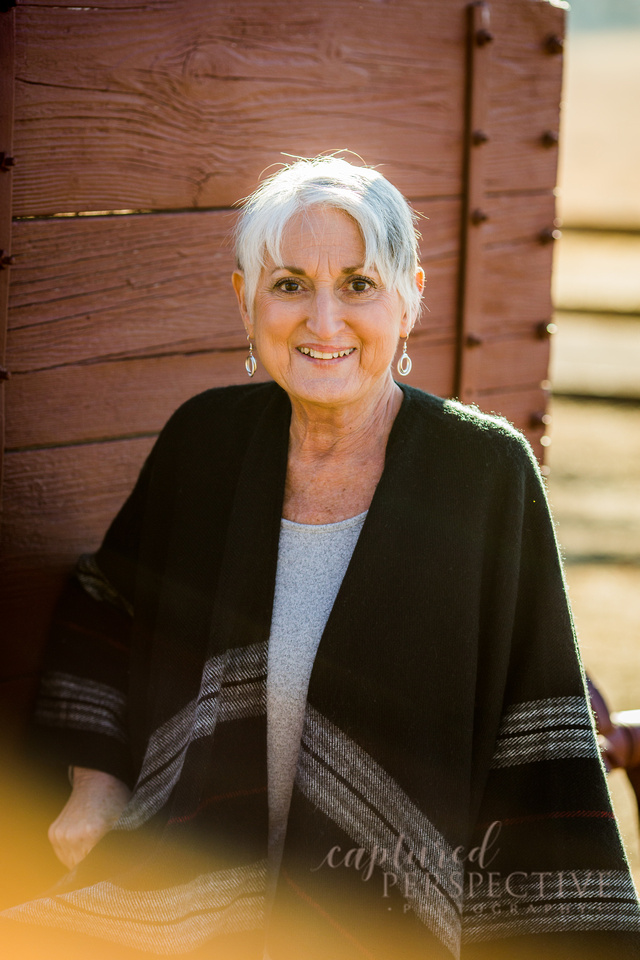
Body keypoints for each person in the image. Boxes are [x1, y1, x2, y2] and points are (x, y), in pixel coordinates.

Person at [4, 156, 640, 959]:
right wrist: (94, 780)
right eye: (291, 284)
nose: (325, 322)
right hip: (188, 898)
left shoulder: (483, 472)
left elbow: (536, 721)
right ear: (245, 301)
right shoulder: (205, 443)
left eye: (360, 286)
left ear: (412, 297)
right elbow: (107, 603)